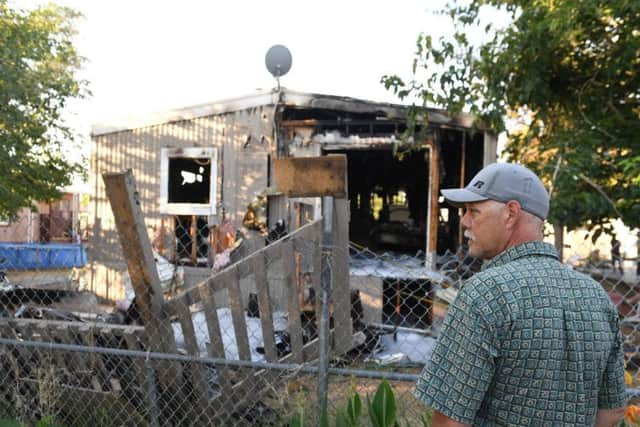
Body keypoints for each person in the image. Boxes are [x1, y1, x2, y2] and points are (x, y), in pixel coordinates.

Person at [414, 163, 627, 427]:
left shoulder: (486, 293)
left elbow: (449, 421)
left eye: (473, 210)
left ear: (511, 213)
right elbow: (613, 410)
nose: (465, 221)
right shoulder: (596, 296)